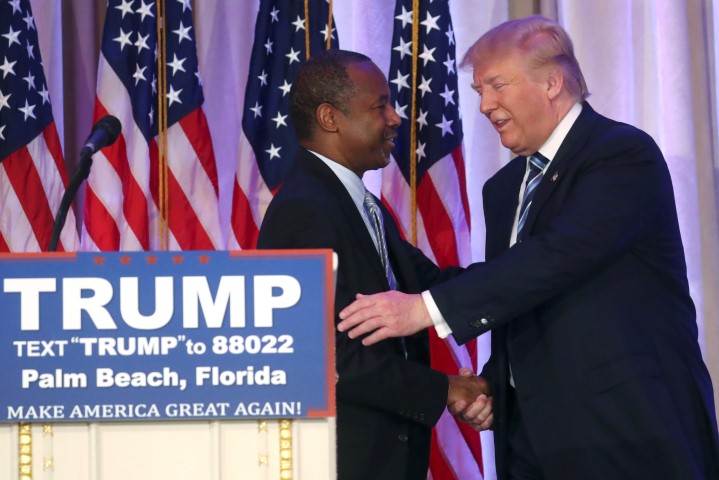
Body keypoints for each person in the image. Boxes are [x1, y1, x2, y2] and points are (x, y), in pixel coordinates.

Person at [337, 16, 719, 480]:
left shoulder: (620, 155)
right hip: (533, 438)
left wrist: (425, 309)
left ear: (552, 83)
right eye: (479, 91)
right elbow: (520, 295)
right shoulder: (504, 188)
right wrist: (497, 383)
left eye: (496, 85)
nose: (485, 105)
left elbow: (556, 258)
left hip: (627, 429)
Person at [256, 49, 492, 480]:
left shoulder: (361, 204)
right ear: (331, 118)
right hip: (345, 460)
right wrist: (446, 389)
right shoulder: (304, 210)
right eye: (379, 105)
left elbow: (433, 287)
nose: (395, 118)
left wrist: (531, 272)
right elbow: (326, 355)